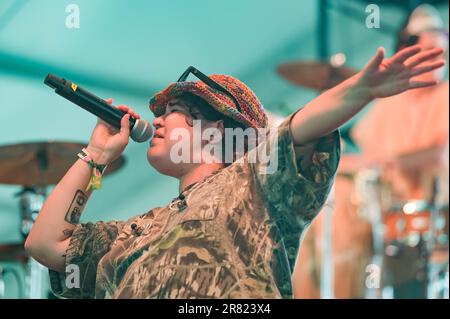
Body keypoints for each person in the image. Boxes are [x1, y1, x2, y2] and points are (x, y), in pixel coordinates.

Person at [25, 43, 445, 298]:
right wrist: (96, 153)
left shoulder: (252, 184)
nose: (161, 119)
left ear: (221, 132)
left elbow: (300, 127)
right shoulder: (138, 230)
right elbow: (45, 244)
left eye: (177, 112)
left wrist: (359, 90)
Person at [351, 4, 449, 298]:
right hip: (394, 231)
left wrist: (389, 161)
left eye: (442, 51)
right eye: (430, 50)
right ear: (407, 51)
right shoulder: (388, 104)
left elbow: (442, 154)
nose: (439, 59)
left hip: (440, 224)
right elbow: (366, 158)